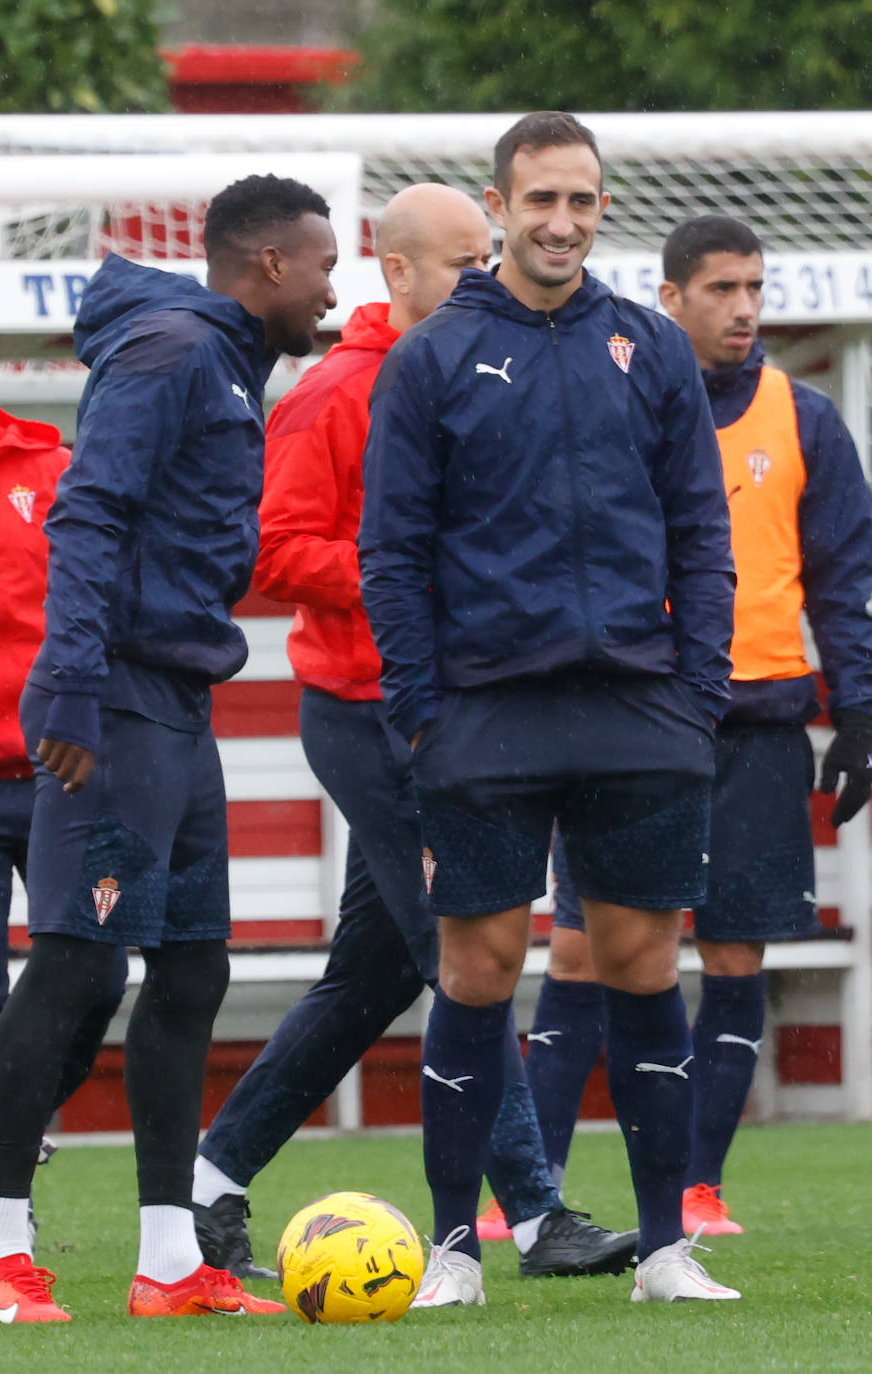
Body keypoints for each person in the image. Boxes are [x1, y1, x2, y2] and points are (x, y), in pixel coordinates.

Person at [191, 182, 637, 1286]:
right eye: (459, 267)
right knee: (465, 952)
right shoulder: (338, 392)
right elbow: (273, 549)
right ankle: (534, 1218)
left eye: (487, 263)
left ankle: (212, 1177)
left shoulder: (482, 371)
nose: (482, 283)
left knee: (374, 976)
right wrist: (411, 581)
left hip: (450, 715)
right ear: (395, 273)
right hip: (365, 717)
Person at [359, 111, 742, 1307]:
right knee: (479, 970)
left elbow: (701, 529)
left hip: (640, 709)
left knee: (640, 962)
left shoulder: (650, 345)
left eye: (580, 201)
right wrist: (423, 713)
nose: (561, 223)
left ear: (602, 207)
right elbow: (391, 554)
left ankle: (663, 1252)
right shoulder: (428, 357)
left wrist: (699, 694)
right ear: (502, 206)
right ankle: (452, 1254)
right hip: (482, 715)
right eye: (540, 202)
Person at [0, 173, 338, 1325]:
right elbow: (91, 513)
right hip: (115, 700)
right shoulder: (172, 351)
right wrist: (70, 682)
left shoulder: (223, 360)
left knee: (191, 969)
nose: (334, 287)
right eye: (323, 264)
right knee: (76, 961)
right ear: (268, 264)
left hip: (181, 701)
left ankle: (170, 1263)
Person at [524, 214, 872, 1236]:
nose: (744, 309)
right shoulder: (617, 408)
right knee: (584, 951)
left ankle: (694, 1188)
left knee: (732, 956)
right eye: (721, 289)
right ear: (669, 299)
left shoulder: (804, 419)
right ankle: (535, 1189)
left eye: (755, 288)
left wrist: (856, 708)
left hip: (760, 724)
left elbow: (844, 578)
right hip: (631, 718)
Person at [0, 308, 127, 1231]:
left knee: (98, 973)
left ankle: (8, 1116)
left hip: (59, 773)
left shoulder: (52, 470)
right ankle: (0, 1211)